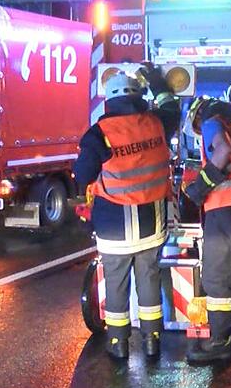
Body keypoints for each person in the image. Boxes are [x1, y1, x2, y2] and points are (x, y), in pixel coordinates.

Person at [74, 72, 173, 360]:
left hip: (114, 223)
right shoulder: (157, 122)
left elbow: (83, 175)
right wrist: (156, 80)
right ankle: (152, 340)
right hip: (151, 220)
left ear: (109, 100)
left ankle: (118, 343)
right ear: (138, 96)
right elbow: (171, 105)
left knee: (116, 282)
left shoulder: (99, 133)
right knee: (149, 278)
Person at [181, 96, 231, 364]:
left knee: (217, 277)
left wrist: (200, 187)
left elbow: (223, 150)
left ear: (198, 115)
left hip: (223, 209)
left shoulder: (211, 124)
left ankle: (220, 342)